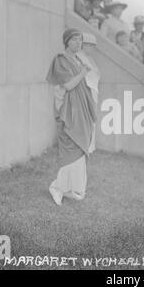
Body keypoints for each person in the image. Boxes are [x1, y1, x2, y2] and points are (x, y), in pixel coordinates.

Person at [46, 29, 97, 206]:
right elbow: (68, 85)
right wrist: (83, 72)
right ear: (67, 41)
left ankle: (73, 188)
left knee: (80, 147)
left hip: (79, 110)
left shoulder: (77, 60)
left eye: (80, 40)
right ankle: (57, 187)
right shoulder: (60, 59)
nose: (78, 43)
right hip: (67, 110)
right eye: (74, 39)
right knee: (70, 147)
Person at [77, 33, 101, 153]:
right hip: (85, 91)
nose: (91, 48)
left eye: (93, 45)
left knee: (91, 118)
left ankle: (89, 145)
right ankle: (83, 145)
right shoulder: (78, 56)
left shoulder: (89, 58)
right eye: (89, 45)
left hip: (92, 90)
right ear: (83, 45)